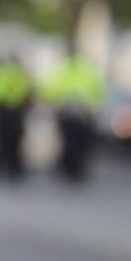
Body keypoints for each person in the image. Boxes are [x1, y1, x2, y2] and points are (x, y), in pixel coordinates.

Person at [40, 48, 105, 183]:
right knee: (76, 143)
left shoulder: (62, 69)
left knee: (71, 143)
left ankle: (71, 168)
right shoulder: (86, 69)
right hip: (79, 112)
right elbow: (97, 90)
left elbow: (49, 89)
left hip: (70, 112)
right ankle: (73, 169)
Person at [0, 55, 32, 180]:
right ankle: (8, 165)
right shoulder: (18, 73)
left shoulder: (3, 72)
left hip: (10, 109)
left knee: (9, 139)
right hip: (9, 109)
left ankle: (9, 165)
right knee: (7, 139)